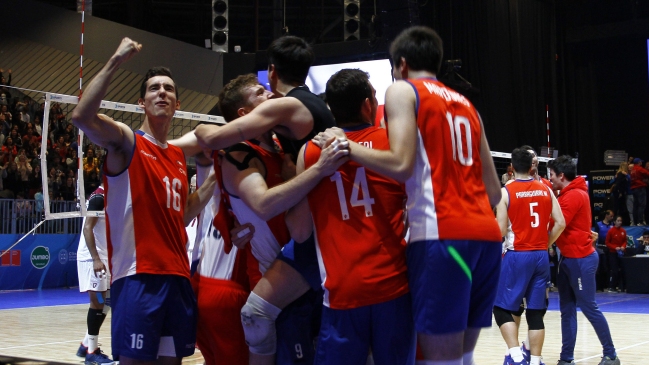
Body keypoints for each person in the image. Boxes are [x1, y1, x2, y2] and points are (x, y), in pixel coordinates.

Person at [314, 26, 502, 365]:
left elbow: (400, 163)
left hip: (442, 235)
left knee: (438, 360)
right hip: (487, 239)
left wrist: (345, 146)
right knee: (462, 356)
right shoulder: (467, 106)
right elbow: (493, 190)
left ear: (400, 64)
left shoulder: (403, 90)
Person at [70, 38, 217, 365]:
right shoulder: (128, 142)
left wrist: (214, 182)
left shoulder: (179, 156)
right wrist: (114, 61)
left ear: (177, 104)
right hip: (139, 278)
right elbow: (81, 116)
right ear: (141, 102)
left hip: (177, 278)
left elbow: (180, 216)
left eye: (168, 88)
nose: (162, 92)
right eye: (154, 88)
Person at [286, 69, 415, 364]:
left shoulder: (311, 151)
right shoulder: (394, 145)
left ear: (331, 108)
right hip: (393, 287)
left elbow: (300, 231)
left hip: (343, 290)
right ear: (368, 104)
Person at [214, 73, 344, 365]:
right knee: (256, 318)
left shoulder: (281, 143)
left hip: (304, 266)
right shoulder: (239, 153)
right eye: (260, 93)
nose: (271, 95)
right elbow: (263, 204)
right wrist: (319, 168)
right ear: (245, 115)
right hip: (271, 273)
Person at [494, 147, 566, 365]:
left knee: (501, 308)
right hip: (541, 255)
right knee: (535, 312)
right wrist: (545, 243)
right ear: (532, 166)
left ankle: (515, 356)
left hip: (518, 255)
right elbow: (561, 223)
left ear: (512, 168)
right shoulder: (546, 189)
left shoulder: (506, 191)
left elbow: (499, 232)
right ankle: (535, 360)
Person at [547, 155, 620, 365]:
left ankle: (611, 354)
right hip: (568, 259)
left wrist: (544, 244)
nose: (550, 178)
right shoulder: (568, 193)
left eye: (551, 175)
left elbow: (557, 224)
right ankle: (566, 358)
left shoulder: (573, 196)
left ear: (561, 175)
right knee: (566, 310)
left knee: (589, 307)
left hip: (580, 259)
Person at [75, 184, 114, 365]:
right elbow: (87, 228)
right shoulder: (99, 197)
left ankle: (85, 344)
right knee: (98, 301)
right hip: (93, 257)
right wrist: (96, 259)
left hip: (104, 255)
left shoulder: (113, 195)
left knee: (110, 299)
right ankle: (92, 352)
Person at [604, 216, 627, 292]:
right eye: (618, 221)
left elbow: (625, 241)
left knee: (622, 270)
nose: (620, 222)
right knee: (614, 270)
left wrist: (623, 247)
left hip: (621, 253)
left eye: (620, 221)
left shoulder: (623, 231)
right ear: (615, 222)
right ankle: (612, 286)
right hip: (613, 253)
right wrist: (615, 247)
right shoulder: (611, 231)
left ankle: (621, 286)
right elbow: (607, 243)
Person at [630, 158, 649, 226]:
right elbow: (647, 173)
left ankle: (635, 222)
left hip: (634, 189)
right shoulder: (639, 168)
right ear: (639, 162)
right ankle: (640, 221)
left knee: (636, 205)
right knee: (642, 205)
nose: (641, 163)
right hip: (640, 188)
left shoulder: (632, 170)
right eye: (641, 162)